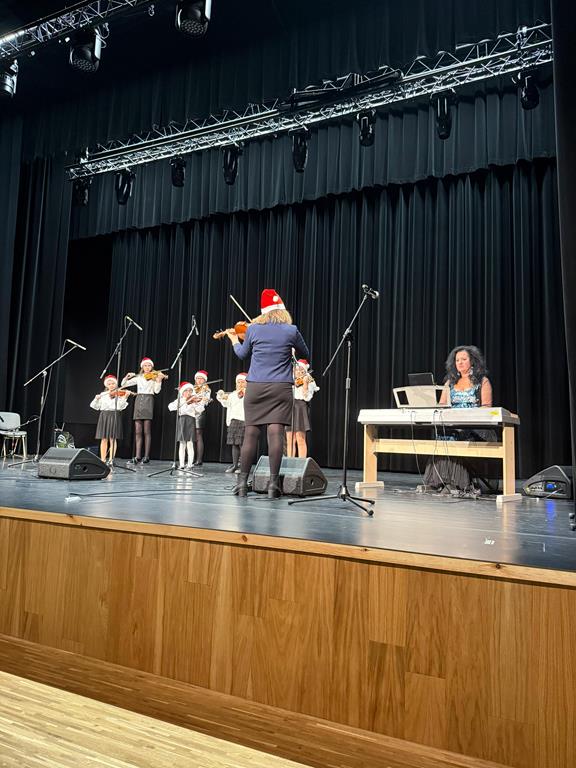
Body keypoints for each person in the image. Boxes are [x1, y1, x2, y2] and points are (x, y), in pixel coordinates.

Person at [223, 289, 310, 498]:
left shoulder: (253, 329)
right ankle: (273, 485)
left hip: (255, 387)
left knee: (250, 435)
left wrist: (234, 340)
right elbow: (306, 354)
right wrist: (290, 351)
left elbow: (242, 354)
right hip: (280, 388)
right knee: (275, 435)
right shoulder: (291, 330)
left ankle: (242, 484)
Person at [423, 345, 495, 495]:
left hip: (476, 428)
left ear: (472, 361)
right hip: (454, 425)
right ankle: (439, 481)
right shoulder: (449, 383)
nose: (460, 363)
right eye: (457, 360)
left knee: (458, 435)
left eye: (464, 359)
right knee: (443, 435)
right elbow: (442, 405)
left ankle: (457, 483)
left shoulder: (482, 381)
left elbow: (487, 408)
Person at [121, 357, 167, 464]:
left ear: (152, 367)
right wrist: (126, 377)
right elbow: (123, 384)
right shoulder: (139, 377)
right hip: (138, 400)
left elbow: (156, 391)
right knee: (138, 431)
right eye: (145, 365)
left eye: (149, 365)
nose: (147, 367)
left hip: (148, 400)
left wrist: (159, 380)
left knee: (147, 431)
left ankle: (146, 456)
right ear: (142, 367)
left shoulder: (154, 376)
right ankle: (137, 456)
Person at [89, 374, 130, 465]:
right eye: (109, 384)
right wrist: (96, 399)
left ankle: (111, 459)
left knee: (112, 439)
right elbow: (94, 406)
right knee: (104, 439)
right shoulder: (103, 394)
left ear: (116, 384)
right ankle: (103, 459)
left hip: (114, 415)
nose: (111, 385)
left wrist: (125, 397)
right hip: (104, 416)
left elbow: (120, 407)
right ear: (106, 385)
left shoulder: (119, 394)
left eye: (113, 383)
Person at [286, 359, 319, 458]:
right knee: (290, 439)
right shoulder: (289, 380)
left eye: (301, 370)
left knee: (300, 438)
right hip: (290, 407)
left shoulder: (309, 381)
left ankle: (301, 463)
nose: (298, 372)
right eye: (296, 370)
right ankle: (290, 463)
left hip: (300, 407)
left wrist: (305, 384)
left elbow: (307, 398)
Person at [216, 373, 247, 473]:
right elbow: (226, 404)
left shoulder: (249, 394)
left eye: (242, 382)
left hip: (243, 420)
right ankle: (235, 465)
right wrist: (221, 396)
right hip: (233, 421)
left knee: (242, 444)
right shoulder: (233, 394)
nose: (240, 384)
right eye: (238, 382)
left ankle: (243, 467)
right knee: (234, 444)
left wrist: (243, 393)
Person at [167, 381, 203, 469]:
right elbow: (170, 407)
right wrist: (184, 402)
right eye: (186, 391)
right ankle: (182, 464)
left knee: (190, 443)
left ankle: (190, 464)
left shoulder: (193, 400)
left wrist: (196, 403)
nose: (188, 392)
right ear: (182, 392)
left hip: (190, 420)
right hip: (182, 421)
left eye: (190, 391)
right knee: (182, 444)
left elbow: (200, 410)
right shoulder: (180, 400)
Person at [190, 370, 212, 467]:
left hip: (199, 413)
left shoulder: (206, 389)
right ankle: (191, 458)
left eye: (201, 379)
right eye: (197, 378)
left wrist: (201, 399)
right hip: (190, 412)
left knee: (198, 435)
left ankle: (199, 459)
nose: (199, 380)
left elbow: (205, 403)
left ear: (205, 380)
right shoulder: (191, 388)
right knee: (191, 436)